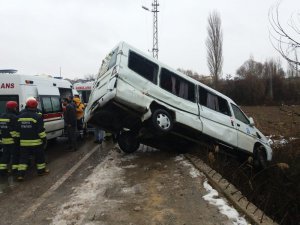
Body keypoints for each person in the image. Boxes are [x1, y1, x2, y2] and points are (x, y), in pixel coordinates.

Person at [16, 98, 49, 181]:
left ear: (27, 106)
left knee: (23, 159)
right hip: (36, 143)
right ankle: (41, 172)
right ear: (35, 106)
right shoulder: (37, 116)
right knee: (40, 158)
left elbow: (17, 130)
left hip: (23, 143)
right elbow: (40, 131)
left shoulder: (19, 116)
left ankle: (20, 175)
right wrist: (44, 139)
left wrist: (18, 140)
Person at [0, 101, 19, 177]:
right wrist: (17, 139)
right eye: (15, 107)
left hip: (4, 140)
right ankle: (15, 171)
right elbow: (15, 130)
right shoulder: (14, 117)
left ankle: (2, 171)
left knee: (5, 156)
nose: (16, 108)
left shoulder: (2, 116)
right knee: (15, 156)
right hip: (13, 140)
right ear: (13, 108)